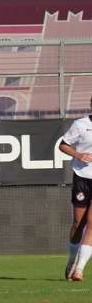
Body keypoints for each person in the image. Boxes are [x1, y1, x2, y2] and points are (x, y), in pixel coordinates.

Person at [60, 94, 92, 282]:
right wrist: (78, 155)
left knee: (91, 224)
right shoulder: (81, 125)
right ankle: (72, 260)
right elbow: (63, 146)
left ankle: (80, 269)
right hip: (82, 178)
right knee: (78, 225)